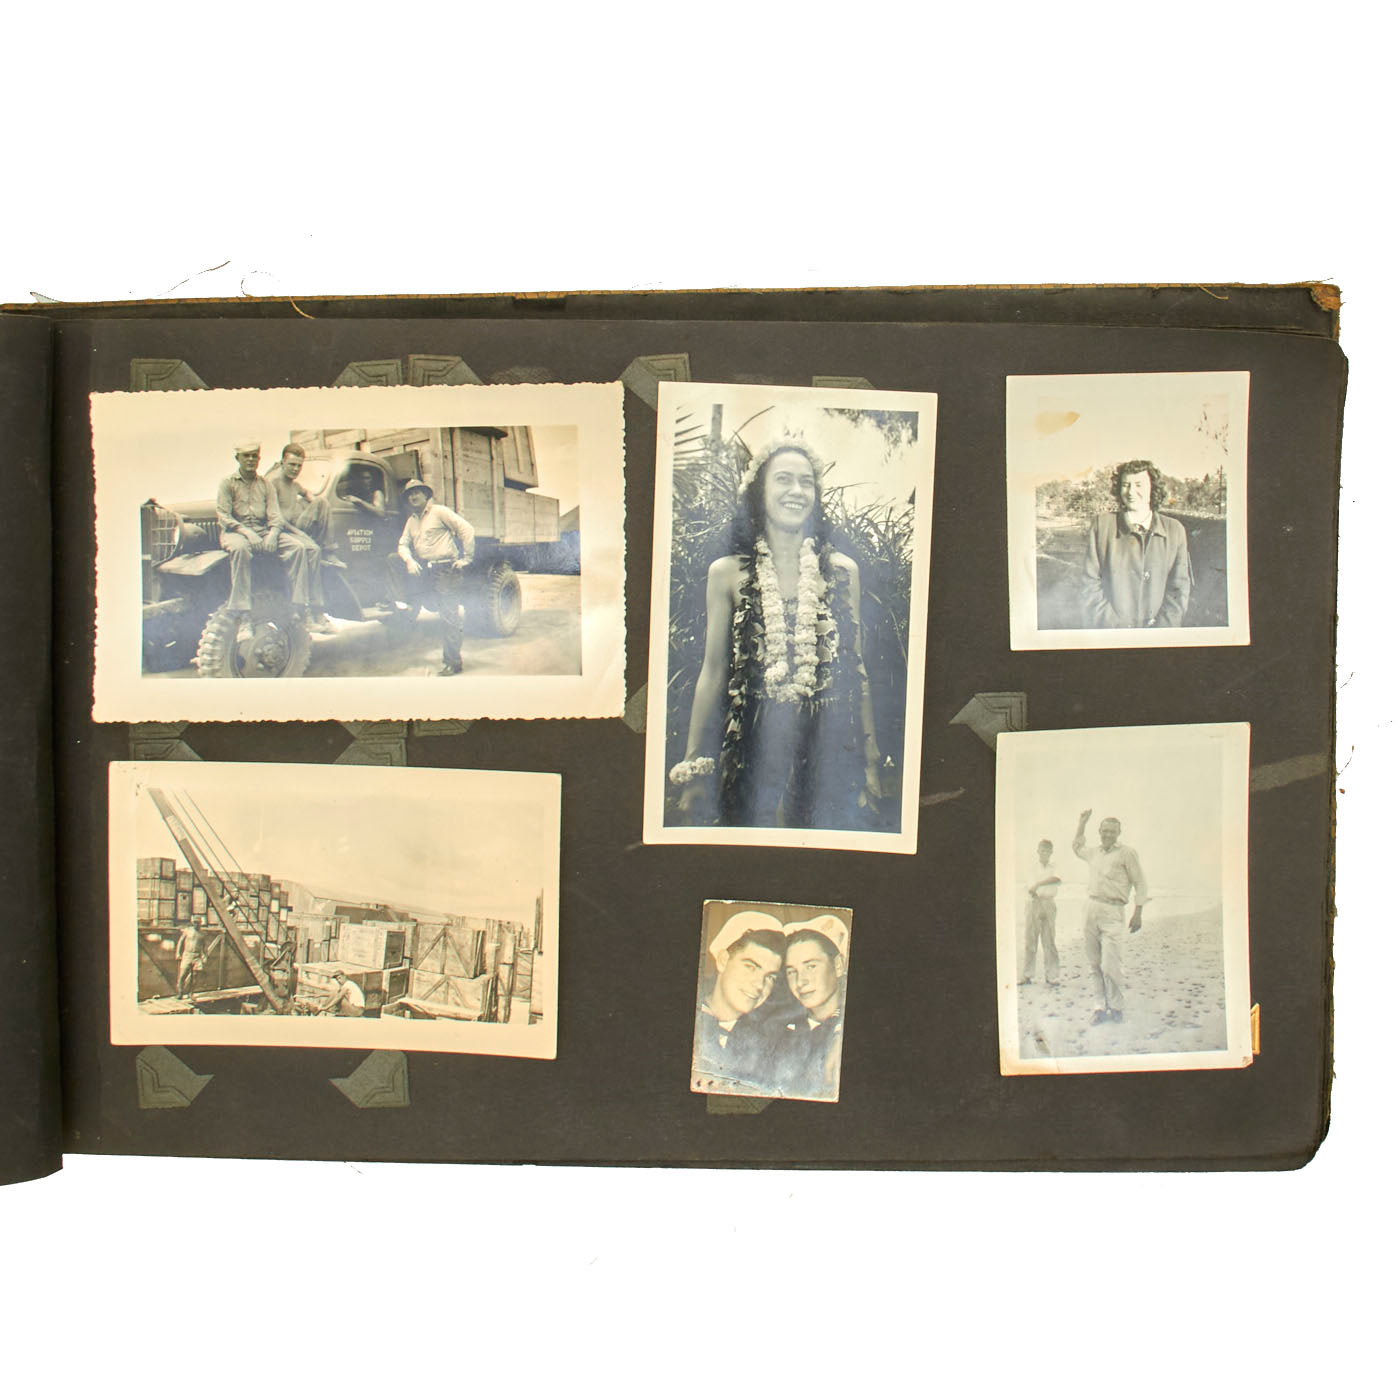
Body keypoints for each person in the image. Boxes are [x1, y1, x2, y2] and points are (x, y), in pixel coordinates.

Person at [671, 436, 882, 829]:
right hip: (753, 741)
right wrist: (693, 766)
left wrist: (870, 762)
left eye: (806, 482)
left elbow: (857, 671)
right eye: (783, 479)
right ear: (759, 491)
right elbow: (713, 672)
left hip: (828, 747)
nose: (796, 491)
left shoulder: (842, 571)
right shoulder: (726, 573)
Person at [1081, 459, 1192, 628]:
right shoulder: (1102, 526)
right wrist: (1116, 629)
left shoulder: (1175, 530)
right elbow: (1090, 585)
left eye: (1139, 485)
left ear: (1152, 487)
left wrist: (1162, 630)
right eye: (1126, 485)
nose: (1131, 491)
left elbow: (1179, 589)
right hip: (1113, 633)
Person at [214, 440, 318, 615]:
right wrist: (247, 533)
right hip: (235, 532)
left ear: (259, 459)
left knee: (298, 547)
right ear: (238, 458)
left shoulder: (265, 485)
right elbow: (224, 516)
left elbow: (275, 516)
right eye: (246, 456)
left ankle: (299, 607)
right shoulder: (227, 483)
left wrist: (272, 534)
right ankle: (242, 613)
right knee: (240, 549)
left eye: (254, 456)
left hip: (262, 531)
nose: (251, 459)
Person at [692, 912, 787, 1093]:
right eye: (750, 967)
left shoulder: (771, 1045)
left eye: (770, 977)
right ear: (723, 961)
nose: (759, 985)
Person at [1072, 809, 1149, 1025]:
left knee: (1110, 964)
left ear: (1118, 833)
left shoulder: (1127, 853)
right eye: (1104, 831)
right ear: (1099, 831)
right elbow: (1076, 847)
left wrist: (1138, 912)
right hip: (1090, 908)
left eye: (1112, 831)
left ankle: (1116, 1007)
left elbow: (1140, 883)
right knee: (1094, 964)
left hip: (1113, 911)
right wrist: (1082, 822)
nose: (1107, 834)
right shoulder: (1094, 853)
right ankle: (1099, 1007)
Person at [393, 479, 476, 676]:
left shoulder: (439, 512)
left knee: (449, 617)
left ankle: (453, 663)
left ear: (426, 495)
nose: (413, 497)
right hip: (425, 571)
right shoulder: (412, 520)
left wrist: (467, 558)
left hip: (445, 569)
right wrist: (409, 561)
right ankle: (403, 602)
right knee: (392, 560)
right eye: (409, 494)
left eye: (417, 492)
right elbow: (402, 544)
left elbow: (466, 529)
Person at [760, 921, 848, 1101]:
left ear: (838, 965)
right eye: (792, 972)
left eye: (811, 966)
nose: (801, 982)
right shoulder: (776, 1031)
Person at [264, 443, 330, 627]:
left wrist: (311, 498)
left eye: (299, 466)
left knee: (315, 550)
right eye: (292, 464)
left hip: (291, 529)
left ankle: (317, 608)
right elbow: (275, 517)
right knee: (301, 548)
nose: (295, 469)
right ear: (282, 463)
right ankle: (301, 609)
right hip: (277, 530)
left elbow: (305, 492)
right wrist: (300, 533)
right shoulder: (273, 483)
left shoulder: (293, 484)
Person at [1020, 838, 1061, 987]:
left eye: (1047, 850)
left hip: (1049, 903)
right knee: (1030, 941)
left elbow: (1056, 879)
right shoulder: (1031, 867)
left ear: (1051, 852)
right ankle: (1027, 975)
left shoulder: (1055, 866)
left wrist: (1039, 883)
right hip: (1033, 903)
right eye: (1042, 850)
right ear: (1038, 851)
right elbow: (1031, 888)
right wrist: (1036, 889)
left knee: (1049, 941)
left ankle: (1052, 976)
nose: (1044, 853)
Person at [175, 924, 205, 999]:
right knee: (182, 975)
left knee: (194, 976)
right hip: (187, 955)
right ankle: (180, 993)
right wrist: (178, 953)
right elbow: (180, 941)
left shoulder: (202, 933)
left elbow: (204, 946)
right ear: (192, 923)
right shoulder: (187, 931)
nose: (196, 924)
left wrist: (205, 956)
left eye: (197, 922)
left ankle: (191, 993)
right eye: (194, 922)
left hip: (197, 956)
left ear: (200, 923)